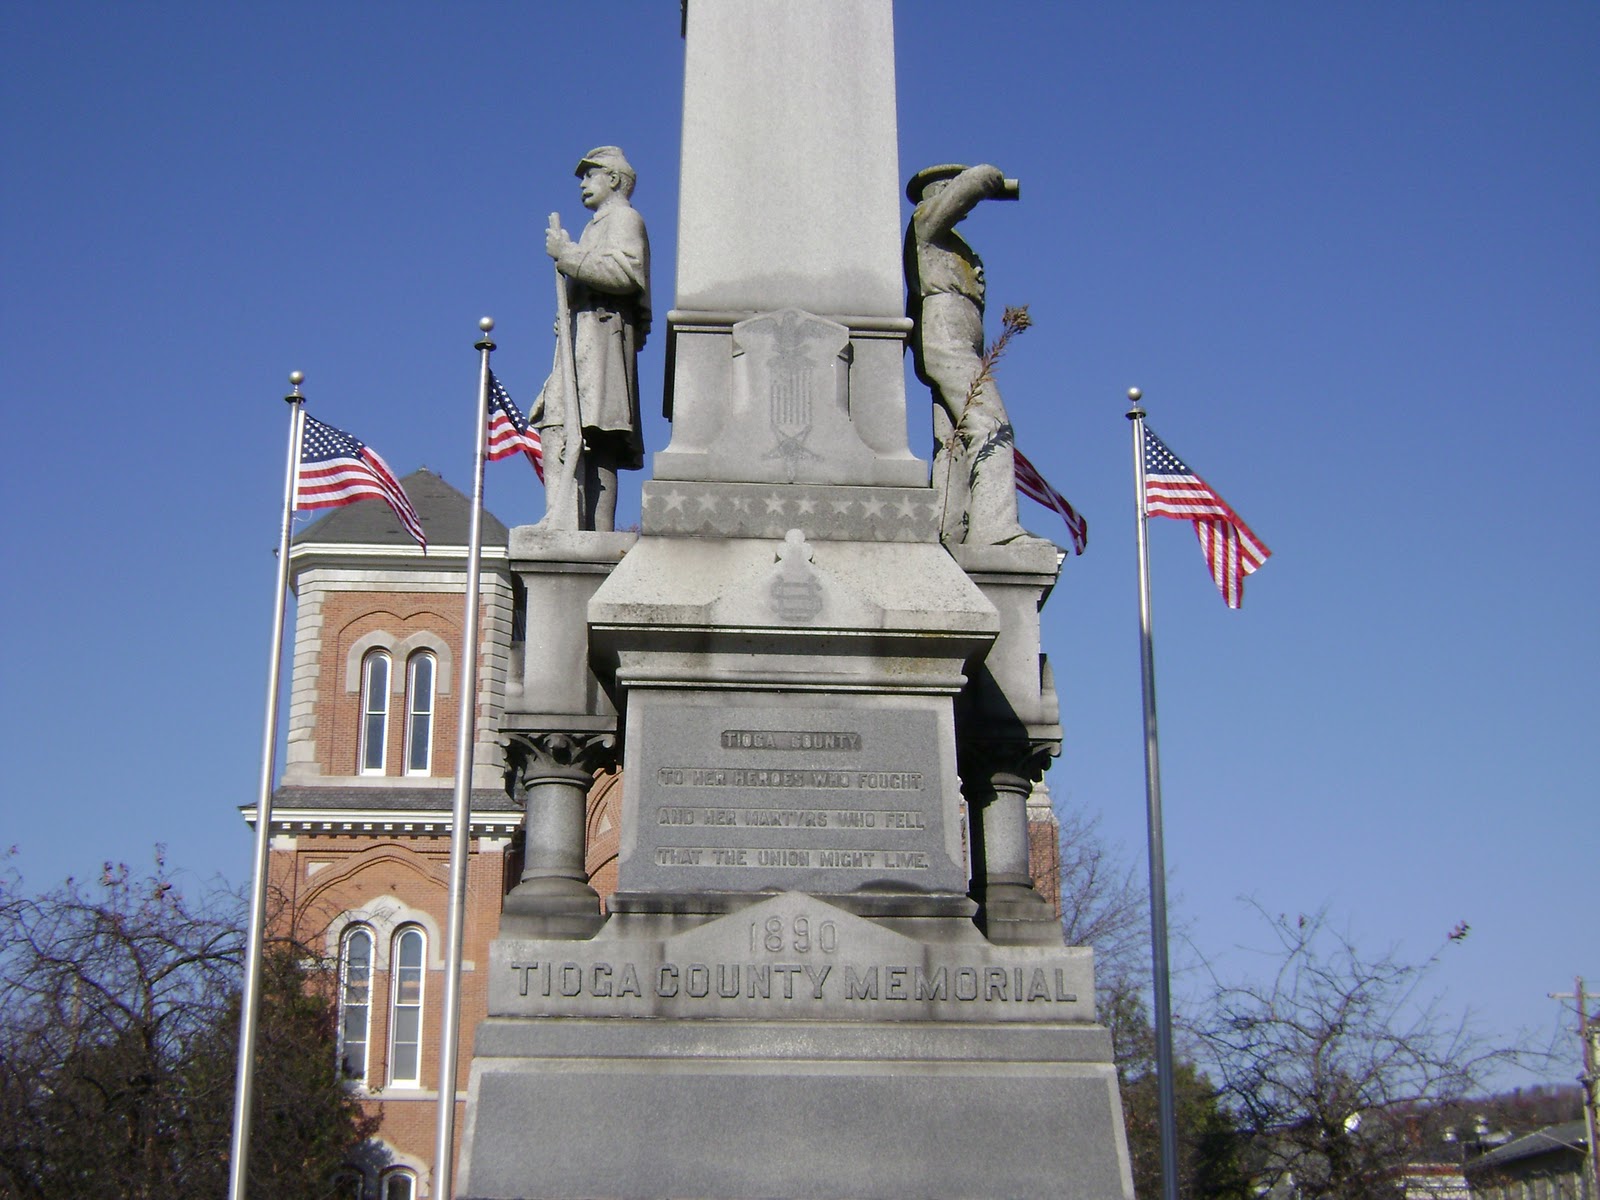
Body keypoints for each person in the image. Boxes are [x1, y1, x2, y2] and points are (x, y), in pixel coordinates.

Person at [905, 162, 1031, 546]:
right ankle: (996, 529)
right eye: (949, 187)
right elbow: (967, 189)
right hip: (946, 336)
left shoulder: (948, 242)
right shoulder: (925, 222)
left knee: (954, 440)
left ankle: (950, 530)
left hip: (956, 338)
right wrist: (987, 177)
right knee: (991, 426)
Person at [533, 146, 650, 532]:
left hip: (602, 346)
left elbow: (626, 273)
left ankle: (589, 530)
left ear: (613, 179)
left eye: (590, 174)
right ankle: (565, 518)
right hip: (583, 342)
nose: (583, 183)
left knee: (597, 439)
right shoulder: (594, 226)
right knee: (561, 424)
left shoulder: (625, 219)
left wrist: (568, 256)